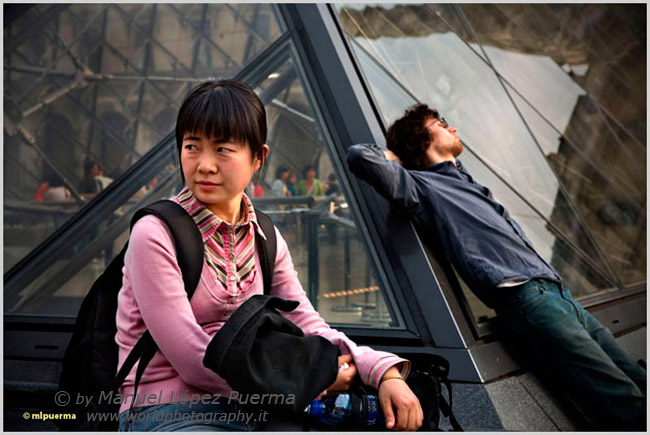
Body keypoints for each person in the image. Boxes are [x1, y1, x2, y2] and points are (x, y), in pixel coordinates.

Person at [115, 80, 422, 432]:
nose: (204, 165)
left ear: (259, 157)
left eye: (222, 149)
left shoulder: (264, 237)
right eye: (192, 147)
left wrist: (382, 371)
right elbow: (190, 356)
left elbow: (309, 325)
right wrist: (308, 381)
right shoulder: (155, 233)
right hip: (169, 409)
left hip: (260, 408)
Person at [347, 104, 646, 431]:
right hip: (529, 299)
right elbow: (360, 156)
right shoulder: (422, 187)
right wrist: (397, 159)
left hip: (559, 295)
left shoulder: (466, 181)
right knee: (624, 402)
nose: (453, 129)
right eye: (441, 124)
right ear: (421, 141)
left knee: (638, 382)